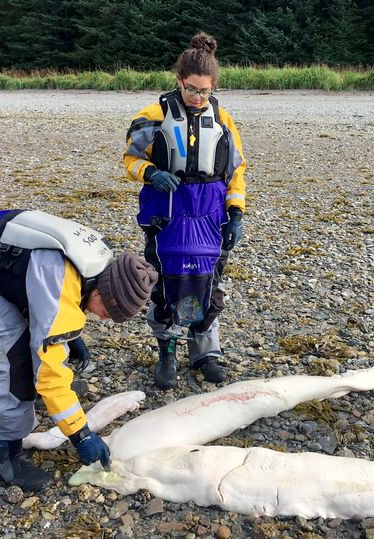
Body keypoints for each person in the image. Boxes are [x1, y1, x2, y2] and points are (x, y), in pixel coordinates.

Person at [0, 209, 158, 489]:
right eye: (108, 313)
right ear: (99, 292)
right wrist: (80, 434)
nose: (103, 319)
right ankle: (8, 458)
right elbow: (50, 370)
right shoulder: (60, 277)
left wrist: (69, 336)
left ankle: (34, 406)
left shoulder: (100, 266)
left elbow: (55, 301)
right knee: (14, 362)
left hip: (1, 250)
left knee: (37, 342)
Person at [123, 32, 247, 390]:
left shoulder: (223, 118)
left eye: (203, 91)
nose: (196, 97)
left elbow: (236, 169)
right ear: (179, 81)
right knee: (166, 283)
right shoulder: (153, 115)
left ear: (213, 88)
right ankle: (167, 351)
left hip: (210, 212)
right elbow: (129, 160)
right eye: (191, 89)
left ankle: (205, 352)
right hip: (168, 212)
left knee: (210, 281)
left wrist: (235, 212)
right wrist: (150, 172)